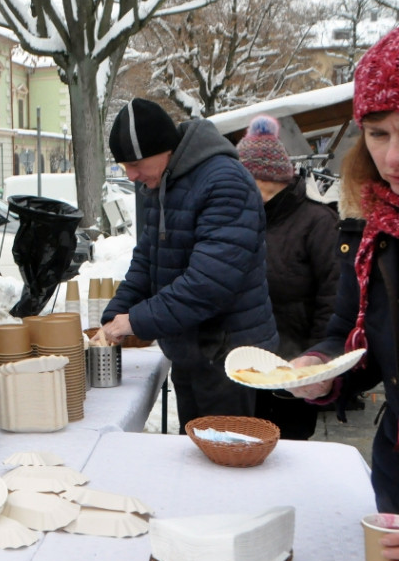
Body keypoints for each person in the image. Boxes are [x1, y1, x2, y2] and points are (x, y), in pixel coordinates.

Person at [100, 98, 278, 428]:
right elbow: (147, 260)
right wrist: (117, 310)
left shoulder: (224, 182)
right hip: (190, 348)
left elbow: (210, 284)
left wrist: (136, 321)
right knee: (196, 455)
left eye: (136, 164)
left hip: (228, 354)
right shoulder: (163, 181)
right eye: (125, 166)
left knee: (225, 462)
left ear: (165, 148)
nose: (132, 175)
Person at [292, 27, 399, 513]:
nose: (392, 158)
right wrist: (322, 368)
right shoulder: (374, 230)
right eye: (378, 134)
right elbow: (351, 335)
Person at [235, 115, 339, 440]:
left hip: (291, 377)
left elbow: (333, 302)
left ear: (264, 180)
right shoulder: (241, 219)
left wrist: (315, 363)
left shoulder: (318, 223)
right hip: (245, 371)